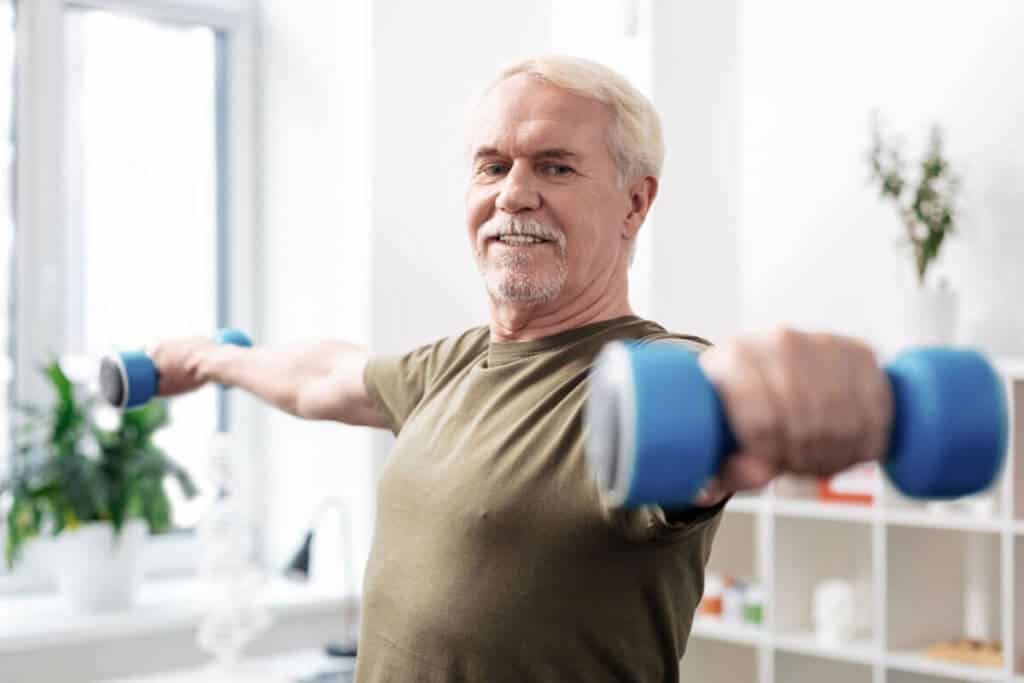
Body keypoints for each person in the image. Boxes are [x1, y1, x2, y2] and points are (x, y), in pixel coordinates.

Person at [150, 56, 893, 682]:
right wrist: (216, 359)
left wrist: (780, 389)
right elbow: (326, 378)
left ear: (636, 202)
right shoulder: (455, 362)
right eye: (493, 165)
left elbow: (724, 402)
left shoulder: (646, 381)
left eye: (555, 165)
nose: (513, 193)